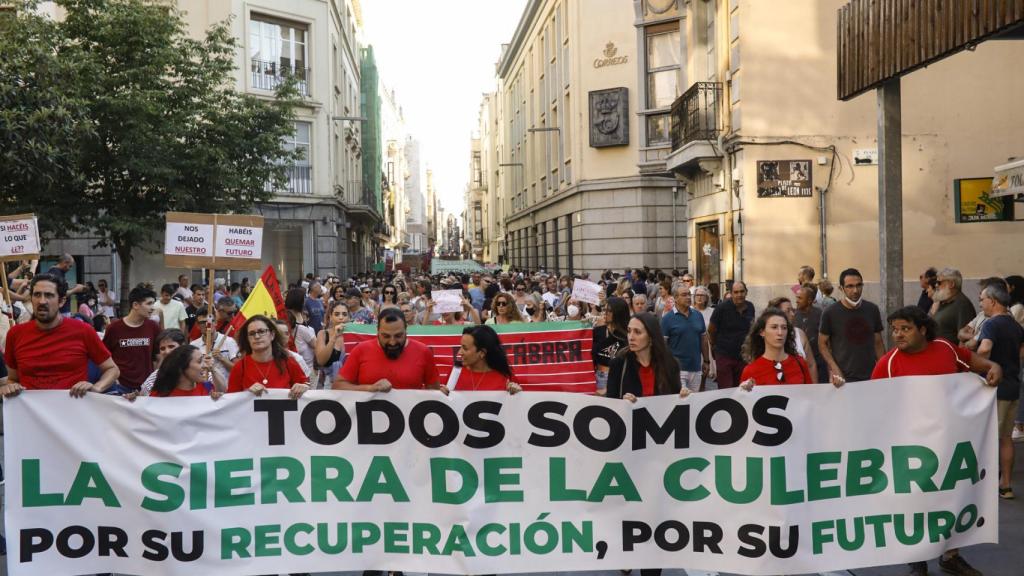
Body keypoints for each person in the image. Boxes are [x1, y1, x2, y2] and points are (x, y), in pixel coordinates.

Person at [870, 306, 1000, 576]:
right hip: (910, 447)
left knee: (950, 498)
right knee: (915, 503)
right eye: (894, 329)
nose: (897, 335)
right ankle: (917, 559)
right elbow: (871, 402)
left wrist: (992, 366)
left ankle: (950, 556)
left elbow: (977, 363)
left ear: (923, 330)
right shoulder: (889, 363)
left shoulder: (945, 349)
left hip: (950, 443)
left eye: (905, 329)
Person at [1, 273, 120, 398]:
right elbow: (13, 379)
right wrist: (10, 386)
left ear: (62, 301)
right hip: (31, 414)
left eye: (49, 295)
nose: (42, 301)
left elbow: (112, 369)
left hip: (72, 412)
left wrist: (96, 388)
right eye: (37, 295)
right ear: (31, 298)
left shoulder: (83, 331)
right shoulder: (15, 334)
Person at [974, 284, 1023, 499]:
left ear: (993, 301)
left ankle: (988, 485)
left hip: (995, 387)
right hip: (1013, 386)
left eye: (982, 299)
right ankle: (1006, 485)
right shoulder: (1015, 325)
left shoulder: (991, 324)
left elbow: (984, 348)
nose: (981, 303)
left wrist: (977, 367)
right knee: (1005, 438)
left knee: (991, 438)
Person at [333, 307, 441, 392]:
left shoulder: (423, 352)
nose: (392, 342)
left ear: (406, 330)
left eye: (398, 336)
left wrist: (439, 393)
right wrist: (370, 389)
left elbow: (433, 390)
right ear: (378, 331)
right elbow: (338, 386)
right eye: (386, 336)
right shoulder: (361, 350)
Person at [607, 313, 687, 408]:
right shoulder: (618, 363)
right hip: (630, 420)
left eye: (637, 332)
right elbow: (610, 403)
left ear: (651, 336)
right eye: (629, 331)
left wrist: (684, 397)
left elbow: (675, 398)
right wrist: (623, 403)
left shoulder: (670, 364)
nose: (631, 337)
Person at [819, 268, 884, 384]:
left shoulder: (872, 309)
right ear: (841, 288)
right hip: (843, 378)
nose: (855, 290)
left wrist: (883, 369)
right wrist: (834, 369)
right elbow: (822, 344)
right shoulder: (830, 312)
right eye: (850, 286)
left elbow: (878, 342)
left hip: (871, 377)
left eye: (859, 285)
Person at [228, 315, 311, 399]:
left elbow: (306, 387)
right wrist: (247, 393)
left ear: (272, 335)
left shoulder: (288, 362)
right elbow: (231, 401)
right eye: (251, 333)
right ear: (247, 339)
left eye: (261, 331)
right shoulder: (239, 367)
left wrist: (303, 387)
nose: (257, 336)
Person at [103, 285, 163, 392]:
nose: (153, 307)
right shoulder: (114, 328)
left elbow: (158, 357)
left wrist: (154, 380)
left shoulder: (153, 327)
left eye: (153, 303)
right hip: (120, 387)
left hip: (146, 387)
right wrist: (113, 379)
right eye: (149, 303)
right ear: (135, 305)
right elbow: (103, 357)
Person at [739, 308, 816, 387]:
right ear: (762, 332)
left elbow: (809, 396)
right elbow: (744, 398)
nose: (780, 333)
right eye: (774, 327)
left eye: (784, 328)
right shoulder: (751, 371)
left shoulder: (800, 363)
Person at [444, 325, 522, 394]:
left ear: (482, 353)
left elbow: (518, 407)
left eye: (465, 348)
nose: (459, 352)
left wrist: (517, 394)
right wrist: (440, 394)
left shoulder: (506, 378)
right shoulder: (454, 372)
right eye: (461, 347)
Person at [708, 281, 755, 388]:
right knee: (726, 389)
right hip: (724, 355)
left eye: (742, 291)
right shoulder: (721, 308)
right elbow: (711, 330)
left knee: (742, 387)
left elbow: (752, 329)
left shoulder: (750, 307)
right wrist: (714, 346)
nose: (739, 295)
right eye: (736, 292)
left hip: (743, 356)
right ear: (731, 293)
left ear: (746, 292)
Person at [661, 286, 708, 393]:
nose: (688, 297)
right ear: (676, 298)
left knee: (695, 403)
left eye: (689, 294)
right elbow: (663, 345)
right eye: (684, 295)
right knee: (681, 403)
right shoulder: (667, 319)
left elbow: (704, 339)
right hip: (677, 370)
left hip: (696, 368)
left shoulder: (698, 315)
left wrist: (706, 361)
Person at [769, 296, 819, 382]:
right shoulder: (768, 336)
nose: (792, 314)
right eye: (788, 311)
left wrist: (814, 388)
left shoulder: (800, 334)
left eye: (793, 310)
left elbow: (811, 365)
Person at [147, 345, 222, 398]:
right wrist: (135, 400)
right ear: (181, 368)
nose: (206, 366)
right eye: (199, 361)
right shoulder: (158, 396)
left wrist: (218, 401)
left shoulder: (208, 389)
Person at [188, 307, 237, 388]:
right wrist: (202, 364)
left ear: (216, 323)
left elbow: (238, 371)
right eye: (203, 322)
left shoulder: (229, 341)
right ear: (197, 325)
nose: (208, 325)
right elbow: (190, 373)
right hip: (203, 393)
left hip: (226, 392)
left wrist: (222, 359)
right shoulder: (193, 346)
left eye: (210, 321)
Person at [592, 297, 630, 396]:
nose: (605, 313)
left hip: (617, 377)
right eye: (605, 309)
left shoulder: (626, 335)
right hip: (597, 376)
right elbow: (593, 353)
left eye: (609, 311)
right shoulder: (599, 330)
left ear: (618, 313)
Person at [930, 267, 976, 342]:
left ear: (951, 284)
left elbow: (964, 338)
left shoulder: (962, 305)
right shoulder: (942, 301)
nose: (936, 285)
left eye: (939, 282)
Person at [140, 328, 189, 396]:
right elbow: (142, 400)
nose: (167, 352)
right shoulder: (154, 378)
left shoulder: (200, 372)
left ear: (183, 346)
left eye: (171, 346)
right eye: (162, 348)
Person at [315, 302, 349, 388]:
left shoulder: (354, 335)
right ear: (330, 316)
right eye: (337, 314)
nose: (341, 317)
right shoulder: (323, 334)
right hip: (329, 386)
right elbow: (321, 361)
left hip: (351, 385)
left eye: (344, 314)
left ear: (349, 317)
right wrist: (334, 337)